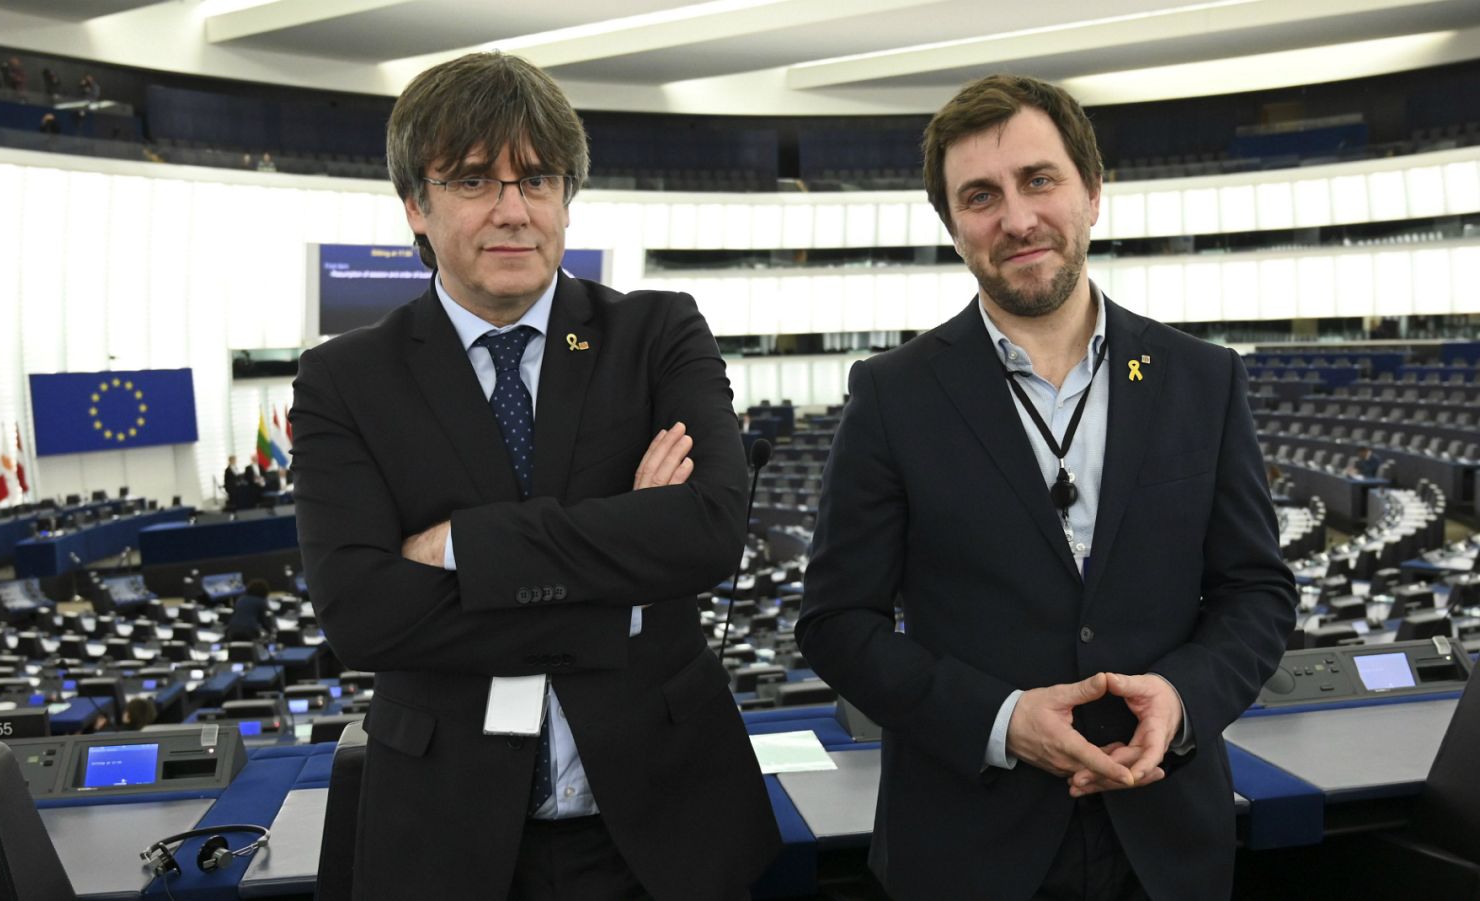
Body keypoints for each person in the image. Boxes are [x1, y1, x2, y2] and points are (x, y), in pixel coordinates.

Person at [290, 50, 778, 901]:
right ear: (416, 202)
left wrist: (465, 548)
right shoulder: (344, 380)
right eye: (476, 181)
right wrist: (615, 586)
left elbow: (707, 531)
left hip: (671, 825)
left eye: (539, 180)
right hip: (450, 840)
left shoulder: (657, 333)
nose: (514, 211)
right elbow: (361, 612)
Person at [795, 74, 1297, 901]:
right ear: (953, 225)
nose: (1017, 219)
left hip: (1166, 843)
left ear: (1093, 193)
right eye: (981, 196)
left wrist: (1179, 698)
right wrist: (999, 722)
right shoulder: (892, 395)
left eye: (1040, 180)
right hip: (969, 848)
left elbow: (1257, 592)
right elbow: (837, 622)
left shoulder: (1203, 381)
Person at [225, 578, 276, 643]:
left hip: (232, 629)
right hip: (249, 630)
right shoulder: (261, 601)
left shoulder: (241, 599)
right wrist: (270, 631)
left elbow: (234, 615)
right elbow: (262, 620)